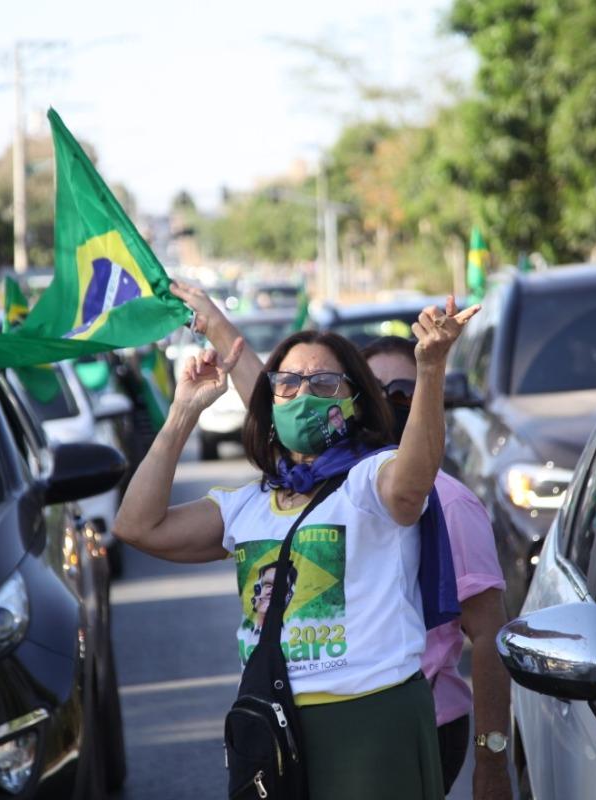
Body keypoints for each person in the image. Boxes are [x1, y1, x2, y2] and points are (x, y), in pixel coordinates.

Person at [116, 281, 479, 800]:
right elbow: (137, 526)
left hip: (370, 729)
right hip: (271, 725)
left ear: (356, 401)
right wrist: (182, 414)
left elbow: (415, 479)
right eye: (288, 384)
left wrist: (430, 369)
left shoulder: (370, 482)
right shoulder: (245, 505)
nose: (303, 395)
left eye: (326, 384)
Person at [363, 335, 513, 799]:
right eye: (373, 392)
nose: (388, 405)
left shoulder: (449, 502)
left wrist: (490, 762)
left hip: (424, 733)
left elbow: (488, 634)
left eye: (404, 393)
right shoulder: (332, 493)